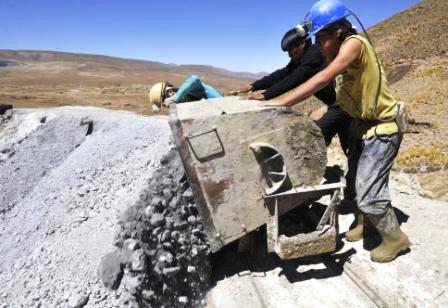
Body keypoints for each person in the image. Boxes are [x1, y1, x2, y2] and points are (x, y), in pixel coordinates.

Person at [262, 0, 410, 262]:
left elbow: (322, 78)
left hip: (383, 128)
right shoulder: (339, 53)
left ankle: (395, 238)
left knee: (368, 190)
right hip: (362, 127)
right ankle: (368, 224)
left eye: (321, 36)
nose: (317, 43)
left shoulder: (354, 43)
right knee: (353, 183)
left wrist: (279, 103)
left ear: (338, 31)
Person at [237, 23, 352, 151]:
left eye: (292, 50)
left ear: (302, 43)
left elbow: (294, 79)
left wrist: (266, 95)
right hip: (336, 105)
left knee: (316, 136)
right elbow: (282, 74)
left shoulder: (314, 54)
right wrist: (253, 86)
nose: (290, 55)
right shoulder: (301, 57)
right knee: (348, 143)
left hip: (342, 105)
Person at [149, 75, 223, 113]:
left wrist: (175, 98)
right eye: (165, 105)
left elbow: (194, 79)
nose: (168, 106)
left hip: (223, 108)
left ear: (170, 92)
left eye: (166, 102)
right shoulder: (184, 103)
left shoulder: (191, 89)